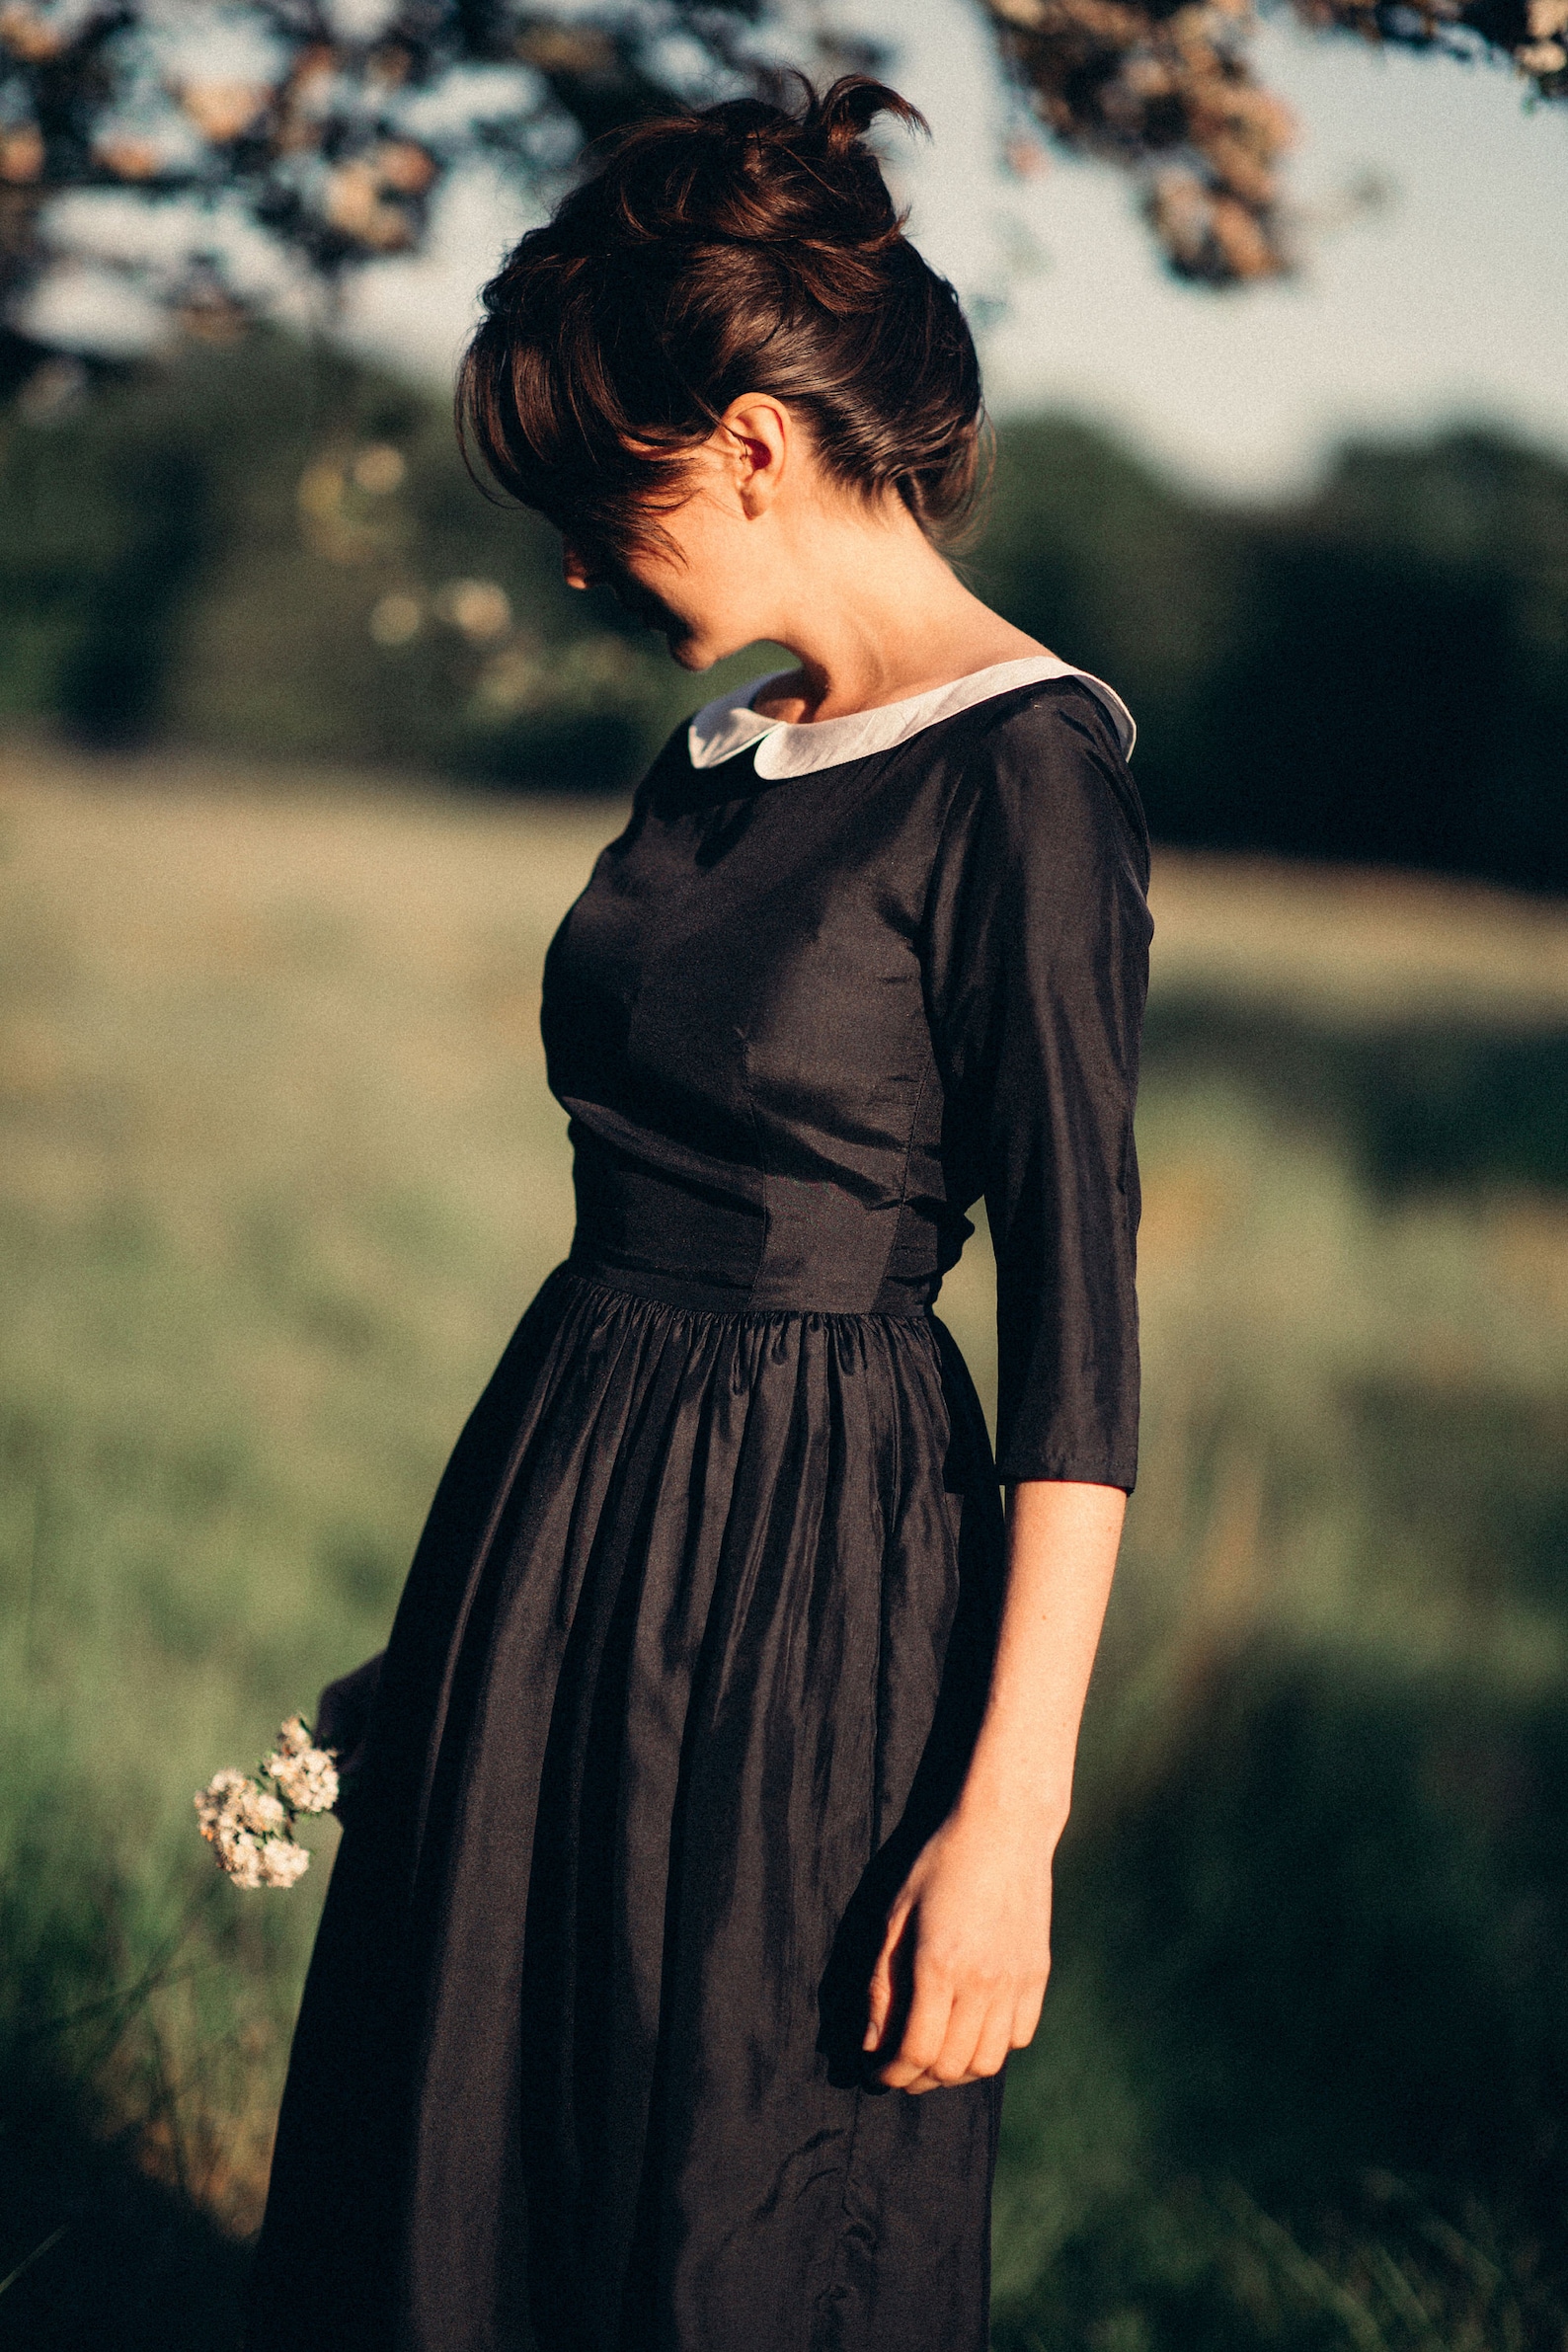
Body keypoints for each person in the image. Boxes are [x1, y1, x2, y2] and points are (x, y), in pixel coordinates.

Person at [247, 73, 1150, 2352]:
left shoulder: (1024, 777)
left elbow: (1074, 1346)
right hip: (561, 1521)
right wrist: (463, 1643)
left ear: (749, 441)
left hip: (812, 1597)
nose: (572, 560)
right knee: (457, 2182)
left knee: (726, 2218)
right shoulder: (719, 754)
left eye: (594, 494)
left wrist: (1005, 1825)